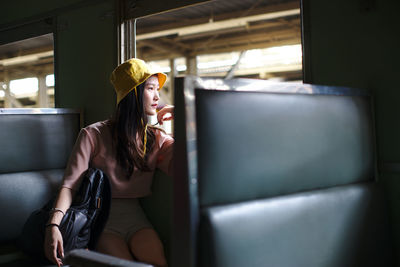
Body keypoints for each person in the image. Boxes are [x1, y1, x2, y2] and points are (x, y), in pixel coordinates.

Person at [44, 58, 174, 267]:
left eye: (157, 89)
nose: (158, 96)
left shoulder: (157, 138)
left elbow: (186, 166)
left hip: (137, 218)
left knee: (159, 262)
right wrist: (53, 226)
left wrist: (184, 114)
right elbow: (70, 184)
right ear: (133, 93)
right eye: (150, 88)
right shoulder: (93, 134)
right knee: (123, 265)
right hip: (103, 220)